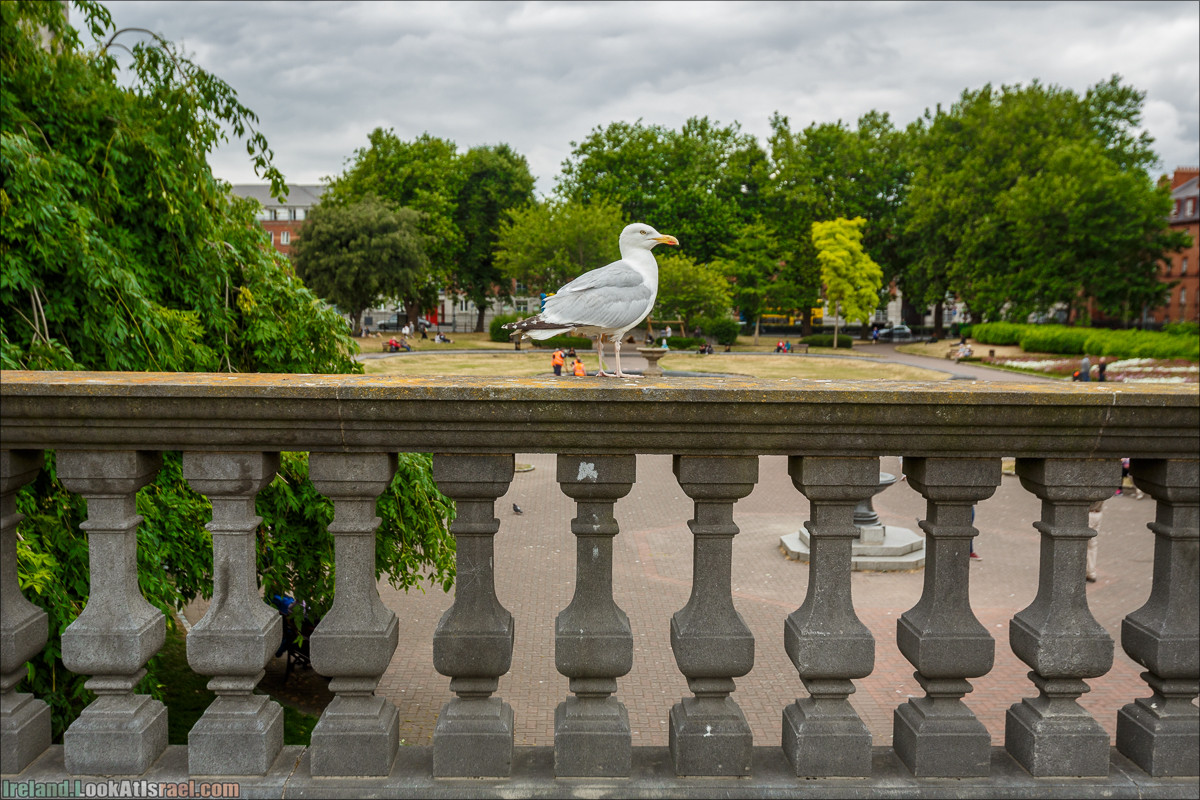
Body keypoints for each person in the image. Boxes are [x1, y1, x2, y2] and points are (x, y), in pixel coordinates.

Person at [1086, 498, 1104, 582]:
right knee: (1092, 544)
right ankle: (1091, 572)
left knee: (1082, 544)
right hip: (1098, 513)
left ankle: (1085, 571)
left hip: (1088, 513)